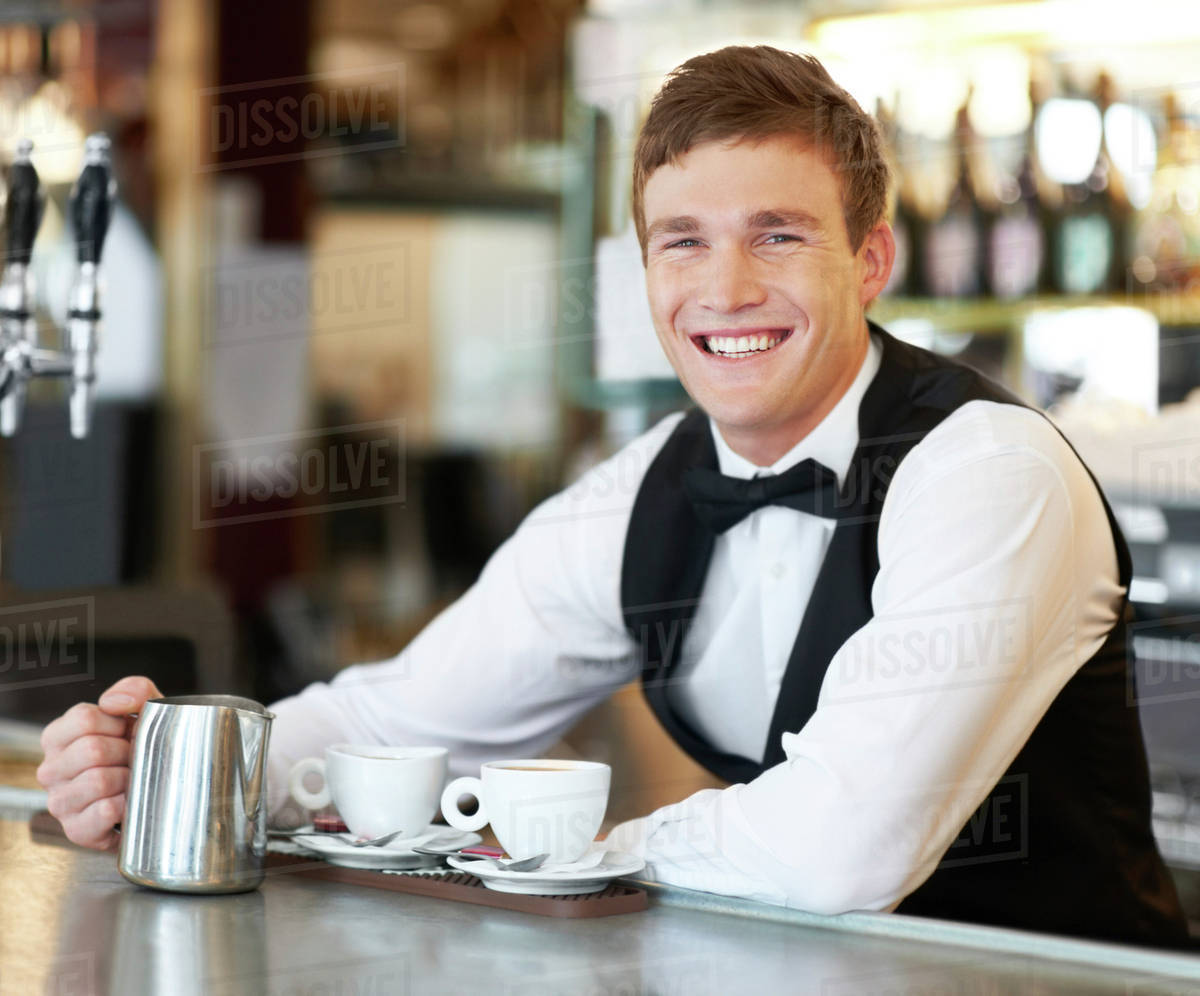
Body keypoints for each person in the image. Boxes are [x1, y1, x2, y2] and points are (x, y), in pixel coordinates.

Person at [37, 46, 1187, 946]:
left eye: (777, 236)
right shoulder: (642, 492)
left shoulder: (989, 475)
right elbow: (399, 719)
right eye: (681, 242)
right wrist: (180, 774)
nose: (724, 287)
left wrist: (573, 852)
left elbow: (843, 850)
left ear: (872, 261)